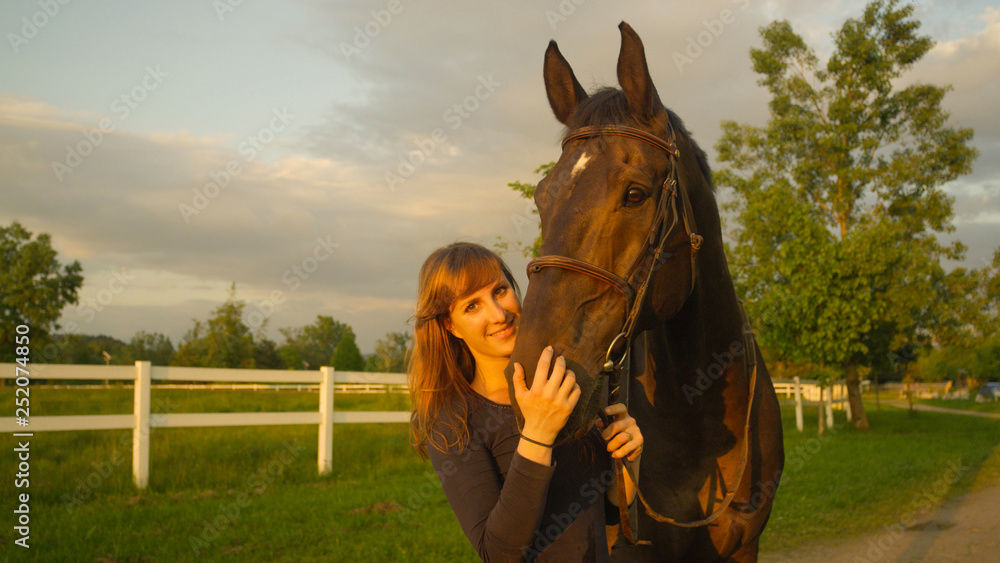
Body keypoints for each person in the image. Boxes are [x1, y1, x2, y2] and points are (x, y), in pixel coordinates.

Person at [408, 242, 643, 561]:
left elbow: (609, 512)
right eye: (472, 306)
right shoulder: (454, 421)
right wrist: (538, 435)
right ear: (450, 325)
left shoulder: (563, 382)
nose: (499, 313)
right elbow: (498, 553)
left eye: (500, 290)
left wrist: (628, 457)